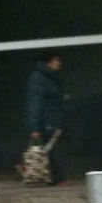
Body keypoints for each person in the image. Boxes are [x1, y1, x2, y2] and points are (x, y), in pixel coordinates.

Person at [25, 52, 65, 185]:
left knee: (50, 148)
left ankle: (53, 177)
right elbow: (35, 103)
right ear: (49, 62)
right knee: (49, 149)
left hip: (52, 119)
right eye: (56, 60)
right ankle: (52, 177)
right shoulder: (40, 78)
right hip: (46, 120)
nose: (59, 63)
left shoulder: (50, 77)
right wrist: (35, 127)